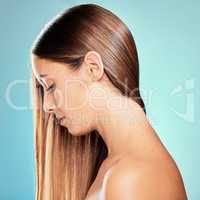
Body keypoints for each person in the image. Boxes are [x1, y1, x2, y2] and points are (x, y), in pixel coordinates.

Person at [30, 3, 187, 200]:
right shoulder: (117, 167)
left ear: (93, 68)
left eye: (51, 86)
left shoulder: (132, 177)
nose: (47, 106)